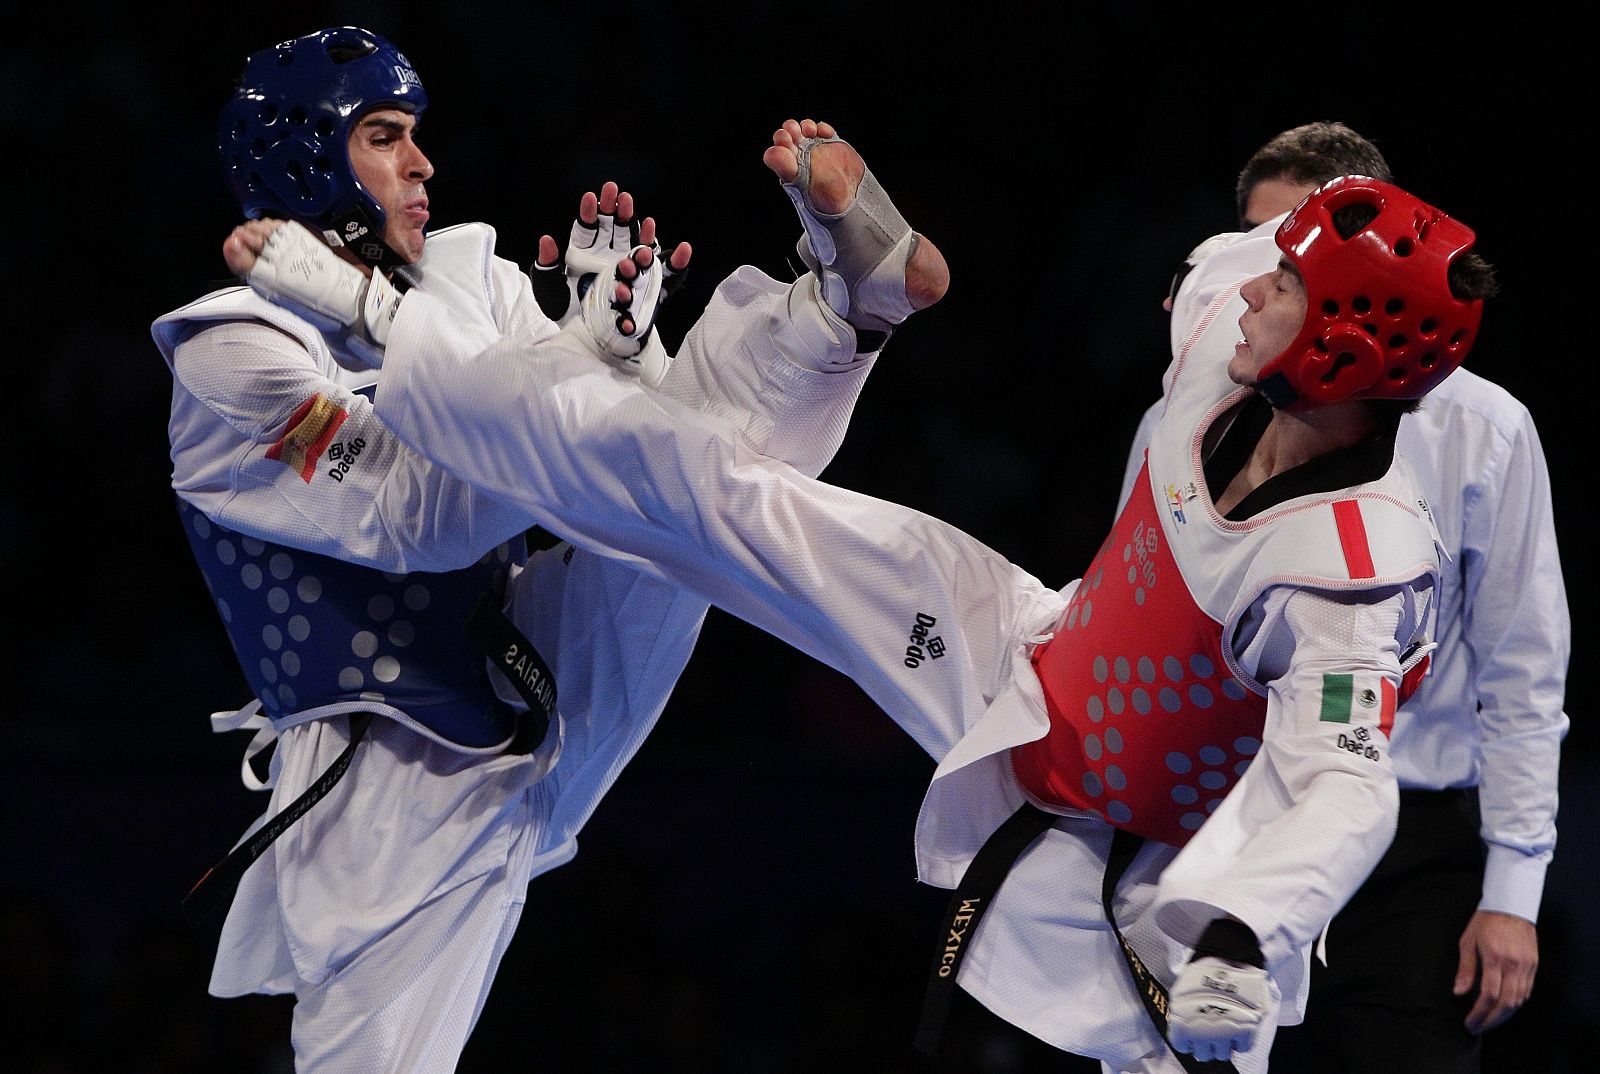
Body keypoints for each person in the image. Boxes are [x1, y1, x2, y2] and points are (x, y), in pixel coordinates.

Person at [234, 102, 1500, 1070]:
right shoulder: (1241, 331)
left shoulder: (1352, 574)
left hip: (1157, 865)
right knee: (716, 496)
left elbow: (1336, 786)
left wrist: (1243, 931)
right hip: (1018, 648)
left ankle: (829, 323)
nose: (1237, 283)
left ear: (1336, 343)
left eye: (1282, 281)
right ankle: (847, 309)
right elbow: (1263, 250)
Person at [154, 25, 947, 1072]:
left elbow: (594, 458)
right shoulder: (235, 350)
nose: (422, 162)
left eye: (416, 136)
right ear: (306, 157)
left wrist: (606, 360)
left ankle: (841, 310)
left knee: (689, 476)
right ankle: (820, 330)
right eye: (385, 137)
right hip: (392, 779)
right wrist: (570, 373)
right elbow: (422, 517)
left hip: (536, 657)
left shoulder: (464, 277)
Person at [1117, 122, 1568, 1073]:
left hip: (1410, 857)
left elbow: (1524, 667)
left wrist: (1513, 889)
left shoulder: (1482, 430)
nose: (1259, 282)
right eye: (1258, 248)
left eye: (1291, 256)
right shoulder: (1187, 413)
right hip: (1222, 819)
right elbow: (1126, 608)